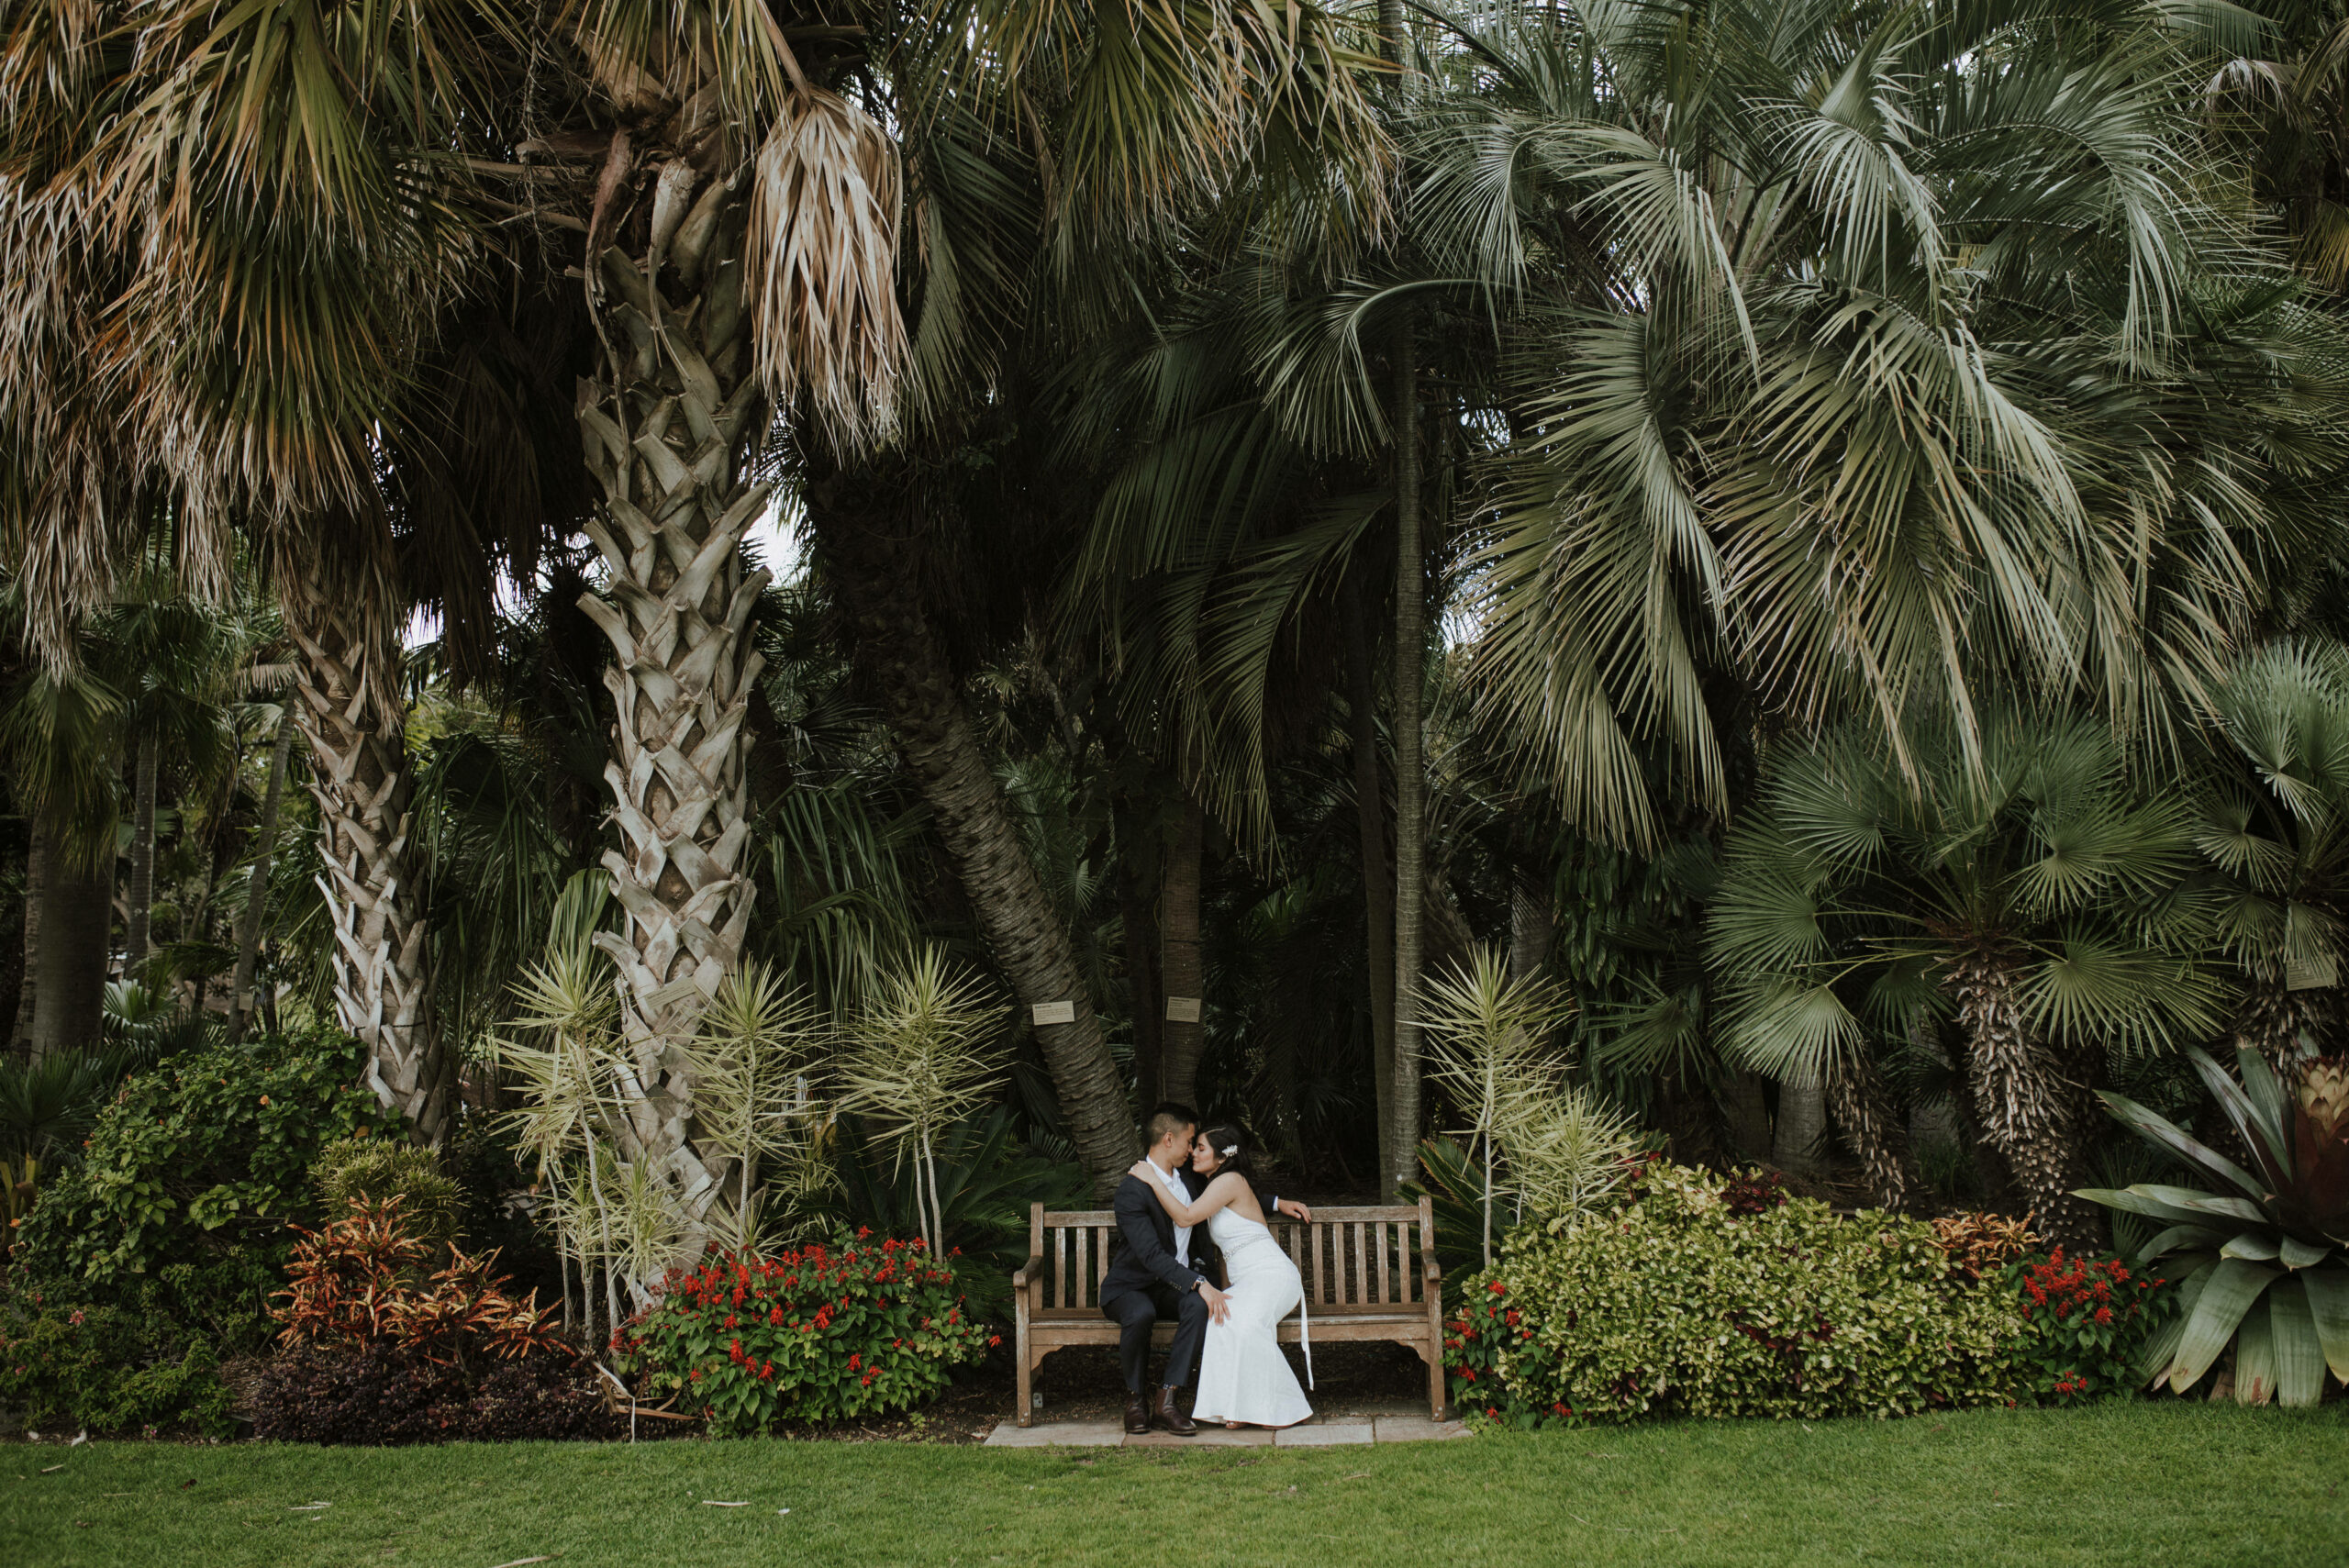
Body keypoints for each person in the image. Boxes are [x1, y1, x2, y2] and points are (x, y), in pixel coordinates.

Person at [1099, 1106, 1312, 1436]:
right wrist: (1199, 1282)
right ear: (1169, 1139)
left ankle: (1167, 1399)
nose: (1191, 1149)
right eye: (1189, 1141)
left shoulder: (1190, 1179)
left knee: (1206, 1308)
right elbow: (1152, 1255)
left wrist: (1276, 1203)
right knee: (1141, 1313)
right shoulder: (1133, 1188)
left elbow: (1233, 1189)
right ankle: (1135, 1400)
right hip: (1132, 1286)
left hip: (1178, 1284)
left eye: (1197, 1145)